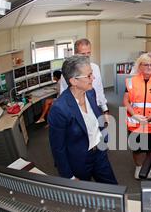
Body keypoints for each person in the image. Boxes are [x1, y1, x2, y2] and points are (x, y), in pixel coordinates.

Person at [48, 55, 117, 184]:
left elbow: (97, 118)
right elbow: (58, 148)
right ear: (74, 81)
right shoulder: (59, 109)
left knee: (113, 190)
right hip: (79, 161)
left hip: (99, 153)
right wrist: (68, 176)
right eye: (89, 76)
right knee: (84, 198)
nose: (93, 78)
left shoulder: (91, 93)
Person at [123, 52, 151, 179]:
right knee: (137, 148)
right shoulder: (130, 82)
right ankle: (139, 167)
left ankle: (150, 167)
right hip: (135, 121)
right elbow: (125, 101)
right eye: (145, 65)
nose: (149, 67)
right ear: (140, 66)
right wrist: (134, 114)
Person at [60, 38, 109, 114]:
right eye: (83, 54)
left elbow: (99, 88)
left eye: (88, 53)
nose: (86, 56)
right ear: (75, 53)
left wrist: (105, 108)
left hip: (95, 106)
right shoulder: (68, 72)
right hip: (77, 109)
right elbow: (63, 93)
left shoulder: (95, 68)